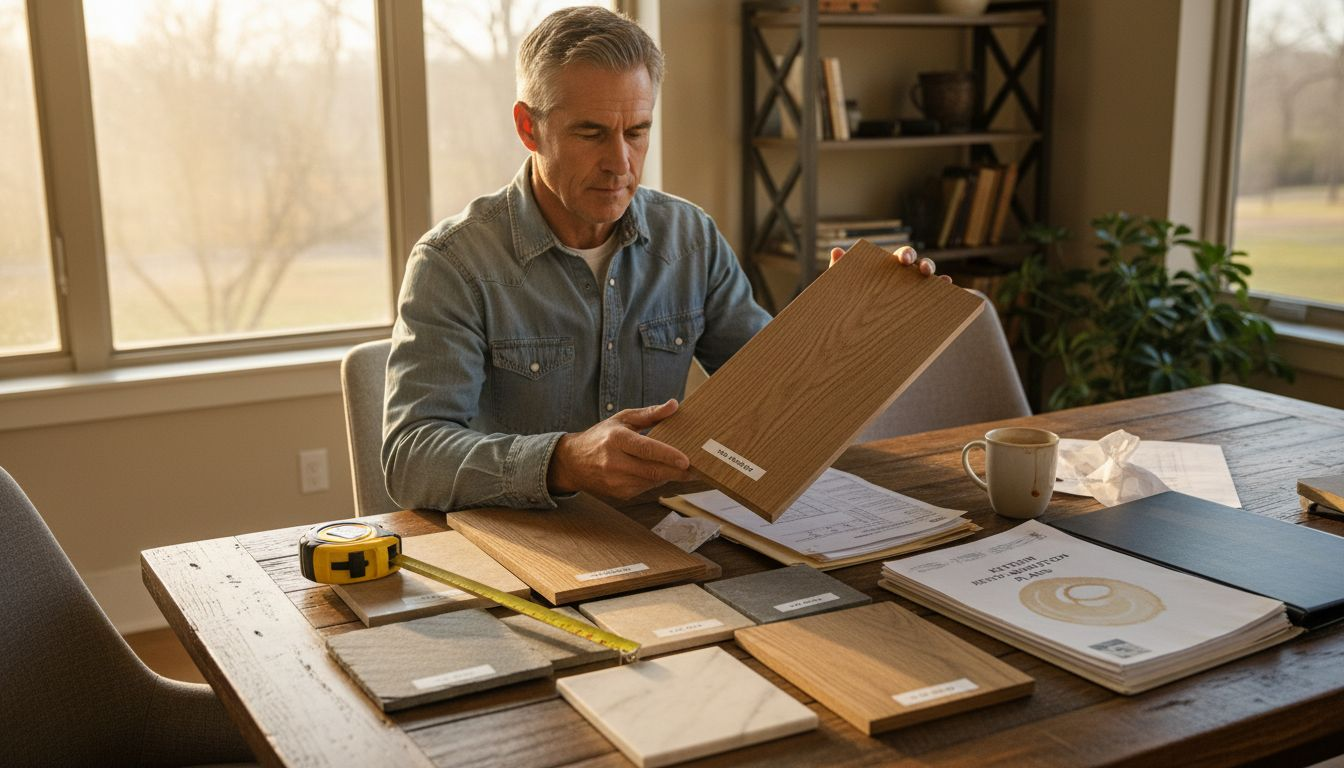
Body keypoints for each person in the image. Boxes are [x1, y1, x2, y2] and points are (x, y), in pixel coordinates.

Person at [383, 6, 941, 512]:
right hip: (528, 546)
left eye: (637, 131)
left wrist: (850, 315)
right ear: (530, 128)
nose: (620, 163)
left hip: (668, 528)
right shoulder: (452, 263)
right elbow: (410, 458)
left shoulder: (690, 238)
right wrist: (564, 460)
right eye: (591, 133)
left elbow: (779, 393)